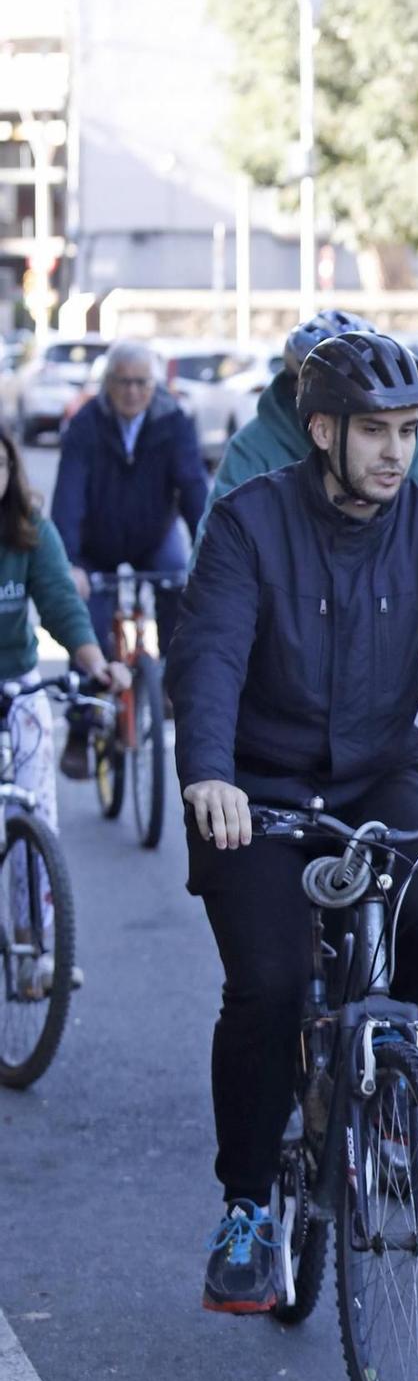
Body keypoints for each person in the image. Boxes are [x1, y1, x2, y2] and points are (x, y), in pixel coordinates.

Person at [166, 330, 418, 1315]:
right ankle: (249, 1204)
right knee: (261, 984)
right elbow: (207, 658)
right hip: (255, 788)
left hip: (377, 778)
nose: (397, 450)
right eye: (376, 431)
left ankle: (385, 1074)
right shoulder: (248, 521)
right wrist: (208, 774)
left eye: (409, 431)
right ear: (323, 430)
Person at [197, 308, 418, 670]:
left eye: (404, 430)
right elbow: (213, 563)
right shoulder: (255, 447)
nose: (393, 448)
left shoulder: (405, 450)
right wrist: (207, 661)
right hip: (279, 636)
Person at [0, 422, 129, 987]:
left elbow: (59, 601)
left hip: (17, 683)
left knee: (34, 814)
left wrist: (94, 663)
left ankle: (35, 953)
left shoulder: (27, 526)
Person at [51, 339, 208, 718]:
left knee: (180, 582)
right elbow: (68, 496)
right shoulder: (86, 424)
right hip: (94, 541)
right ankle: (83, 722)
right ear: (108, 383)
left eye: (141, 382)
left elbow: (193, 487)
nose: (133, 391)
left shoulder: (174, 421)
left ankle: (170, 681)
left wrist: (208, 548)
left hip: (154, 534)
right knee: (86, 613)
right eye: (123, 382)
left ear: (154, 385)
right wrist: (69, 562)